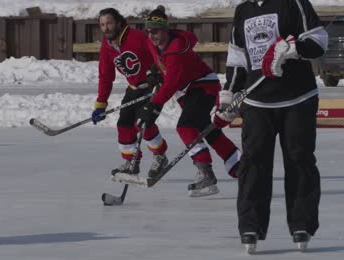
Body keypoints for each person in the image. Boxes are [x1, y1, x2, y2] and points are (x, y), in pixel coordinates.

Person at [212, 0, 328, 252]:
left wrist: (292, 48)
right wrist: (229, 95)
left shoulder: (294, 3)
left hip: (297, 98)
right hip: (256, 101)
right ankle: (250, 225)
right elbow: (237, 58)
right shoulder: (243, 10)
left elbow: (319, 41)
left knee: (299, 159)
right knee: (253, 162)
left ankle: (302, 224)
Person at [136, 6, 242, 197]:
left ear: (166, 30)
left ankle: (205, 173)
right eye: (148, 31)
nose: (151, 35)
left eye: (156, 31)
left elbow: (171, 84)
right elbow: (159, 61)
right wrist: (154, 71)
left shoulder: (176, 51)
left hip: (203, 86)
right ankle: (239, 166)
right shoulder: (152, 43)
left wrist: (153, 105)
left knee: (185, 127)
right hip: (188, 90)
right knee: (206, 130)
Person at [92, 8, 168, 179]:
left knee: (143, 124)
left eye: (109, 23)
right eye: (102, 24)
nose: (106, 28)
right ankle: (130, 162)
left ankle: (160, 156)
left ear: (119, 22)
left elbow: (160, 54)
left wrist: (158, 73)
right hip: (134, 89)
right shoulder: (107, 46)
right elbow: (105, 76)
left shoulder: (137, 37)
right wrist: (101, 103)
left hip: (152, 87)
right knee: (124, 125)